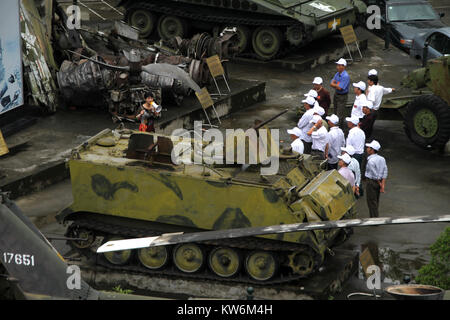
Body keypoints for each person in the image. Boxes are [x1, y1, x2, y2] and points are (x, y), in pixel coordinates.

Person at [364, 140, 388, 217]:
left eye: (368, 147)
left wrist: (380, 184)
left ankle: (374, 219)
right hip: (379, 181)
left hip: (372, 182)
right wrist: (382, 184)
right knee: (376, 200)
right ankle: (374, 217)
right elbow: (385, 171)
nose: (367, 149)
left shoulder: (371, 161)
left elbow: (374, 175)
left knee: (371, 201)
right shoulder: (382, 159)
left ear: (372, 150)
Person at [330, 58, 350, 129]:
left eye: (339, 65)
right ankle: (334, 126)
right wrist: (336, 85)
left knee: (340, 113)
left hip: (342, 96)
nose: (337, 67)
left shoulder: (345, 76)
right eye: (337, 65)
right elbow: (331, 83)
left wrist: (335, 85)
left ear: (343, 66)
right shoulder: (337, 74)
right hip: (336, 94)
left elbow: (340, 88)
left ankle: (339, 128)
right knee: (335, 111)